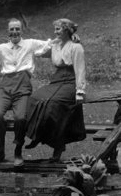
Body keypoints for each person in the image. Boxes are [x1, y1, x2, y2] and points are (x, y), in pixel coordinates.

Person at [0, 18, 52, 167]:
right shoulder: (1, 48)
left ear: (22, 30)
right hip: (5, 85)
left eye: (17, 28)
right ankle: (0, 151)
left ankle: (18, 150)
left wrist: (69, 39)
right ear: (8, 31)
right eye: (12, 29)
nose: (15, 31)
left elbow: (50, 44)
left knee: (21, 118)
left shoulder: (30, 44)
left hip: (23, 86)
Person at [25, 18, 86, 162]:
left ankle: (58, 146)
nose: (55, 31)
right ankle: (37, 134)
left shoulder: (76, 47)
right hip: (57, 80)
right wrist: (53, 41)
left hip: (70, 82)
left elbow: (80, 70)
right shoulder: (56, 45)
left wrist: (79, 91)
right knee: (34, 98)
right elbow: (39, 53)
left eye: (58, 29)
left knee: (53, 105)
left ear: (66, 30)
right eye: (55, 29)